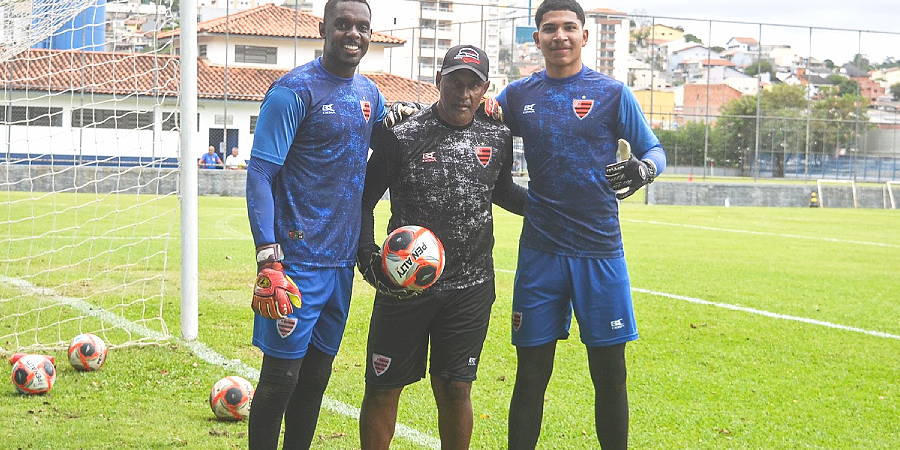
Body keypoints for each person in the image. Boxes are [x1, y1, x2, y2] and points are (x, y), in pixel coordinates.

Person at [242, 1, 416, 448]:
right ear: (323, 28)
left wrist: (406, 118)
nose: (353, 34)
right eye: (343, 25)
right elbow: (260, 174)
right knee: (281, 376)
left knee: (317, 377)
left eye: (363, 27)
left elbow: (386, 146)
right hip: (295, 264)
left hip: (339, 265)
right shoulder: (293, 91)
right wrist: (268, 256)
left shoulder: (370, 95)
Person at [494, 1, 667, 449]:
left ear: (585, 36)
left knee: (610, 373)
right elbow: (477, 121)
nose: (560, 36)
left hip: (600, 253)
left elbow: (655, 151)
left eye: (570, 27)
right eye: (549, 28)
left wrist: (642, 170)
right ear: (537, 39)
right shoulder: (518, 96)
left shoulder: (612, 93)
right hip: (540, 254)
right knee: (531, 375)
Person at [356, 44, 526, 450]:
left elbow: (501, 192)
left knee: (455, 390)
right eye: (455, 82)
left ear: (486, 88)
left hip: (471, 287)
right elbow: (364, 199)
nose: (463, 94)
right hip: (404, 287)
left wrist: (559, 207)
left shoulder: (498, 136)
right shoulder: (403, 135)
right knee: (383, 388)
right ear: (439, 82)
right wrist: (368, 256)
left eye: (473, 85)